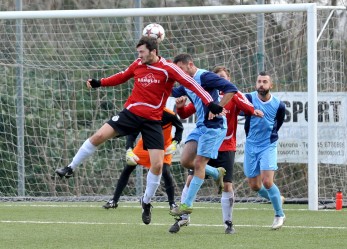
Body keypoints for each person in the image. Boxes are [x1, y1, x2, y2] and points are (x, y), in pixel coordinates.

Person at [54, 36, 225, 225]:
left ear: (153, 51)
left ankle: (146, 202)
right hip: (131, 113)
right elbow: (121, 76)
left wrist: (211, 103)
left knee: (158, 165)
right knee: (99, 135)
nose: (139, 55)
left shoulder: (169, 68)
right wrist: (99, 82)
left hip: (152, 120)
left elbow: (192, 84)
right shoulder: (137, 64)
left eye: (142, 52)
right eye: (138, 52)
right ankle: (70, 167)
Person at [169, 66, 263, 234]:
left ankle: (228, 223)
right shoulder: (204, 93)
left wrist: (253, 111)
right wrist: (182, 107)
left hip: (225, 146)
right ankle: (182, 218)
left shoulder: (231, 95)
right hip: (206, 141)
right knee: (190, 178)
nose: (221, 80)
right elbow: (186, 113)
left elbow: (244, 103)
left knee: (227, 185)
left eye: (223, 77)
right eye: (218, 76)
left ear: (228, 79)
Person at [168, 54, 238, 219]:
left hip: (215, 127)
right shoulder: (186, 83)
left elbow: (231, 89)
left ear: (190, 64)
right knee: (186, 160)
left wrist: (218, 107)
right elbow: (171, 92)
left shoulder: (205, 76)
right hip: (201, 127)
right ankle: (215, 173)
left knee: (199, 163)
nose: (179, 74)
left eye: (181, 69)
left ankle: (187, 205)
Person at [102, 107, 183, 210]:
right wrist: (129, 149)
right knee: (128, 168)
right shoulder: (143, 112)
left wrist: (175, 142)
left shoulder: (170, 114)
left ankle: (172, 203)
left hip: (164, 147)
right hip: (144, 145)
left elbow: (180, 128)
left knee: (165, 172)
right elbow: (133, 132)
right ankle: (114, 200)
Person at [243, 71, 286, 230]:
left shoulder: (278, 105)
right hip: (250, 145)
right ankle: (277, 198)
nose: (261, 84)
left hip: (268, 144)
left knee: (267, 181)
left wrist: (269, 136)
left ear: (271, 85)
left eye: (265, 82)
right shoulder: (248, 98)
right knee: (254, 185)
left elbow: (278, 124)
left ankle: (279, 214)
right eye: (259, 81)